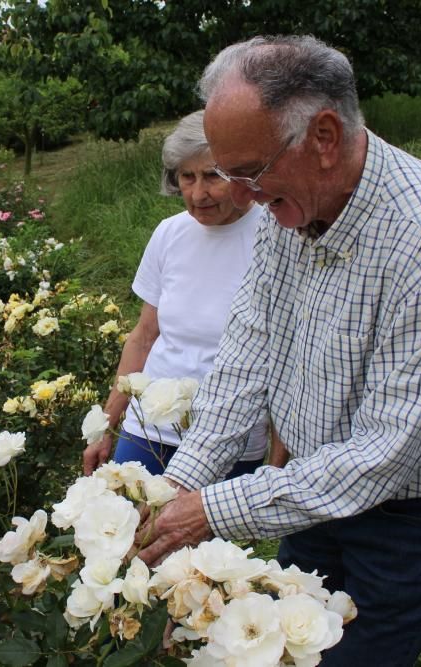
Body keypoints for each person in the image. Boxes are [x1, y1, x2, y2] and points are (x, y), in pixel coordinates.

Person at [137, 35, 421, 666]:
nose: (239, 196)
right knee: (287, 648)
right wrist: (182, 482)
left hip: (415, 514)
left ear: (322, 136)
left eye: (250, 173)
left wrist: (212, 509)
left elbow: (384, 453)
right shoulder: (287, 206)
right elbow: (248, 349)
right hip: (309, 489)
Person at [82, 110, 272, 477]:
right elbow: (143, 337)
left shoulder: (273, 236)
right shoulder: (169, 234)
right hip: (148, 426)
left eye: (213, 176)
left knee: (205, 537)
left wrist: (277, 466)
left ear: (239, 174)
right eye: (187, 177)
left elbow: (287, 358)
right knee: (123, 528)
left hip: (228, 437)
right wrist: (106, 424)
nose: (198, 193)